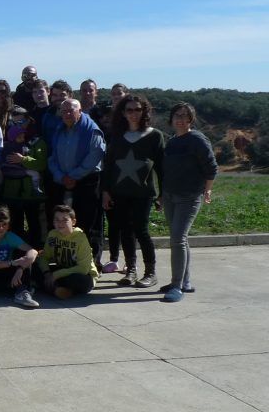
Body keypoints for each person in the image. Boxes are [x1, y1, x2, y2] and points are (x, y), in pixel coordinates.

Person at [101, 94, 165, 287]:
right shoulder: (117, 136)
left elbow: (162, 168)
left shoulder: (155, 136)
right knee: (125, 231)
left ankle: (150, 272)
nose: (134, 113)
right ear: (123, 112)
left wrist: (163, 194)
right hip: (119, 192)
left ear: (144, 111)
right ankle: (131, 270)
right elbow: (108, 166)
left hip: (143, 194)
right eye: (129, 109)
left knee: (141, 231)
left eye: (138, 109)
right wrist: (105, 191)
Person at [160, 102, 217, 303]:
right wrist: (162, 194)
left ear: (191, 119)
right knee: (179, 239)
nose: (181, 119)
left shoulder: (197, 139)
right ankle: (185, 281)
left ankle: (176, 286)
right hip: (170, 195)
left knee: (177, 238)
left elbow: (211, 167)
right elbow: (167, 170)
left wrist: (207, 189)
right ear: (172, 118)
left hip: (189, 196)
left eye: (185, 116)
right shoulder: (172, 141)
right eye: (177, 115)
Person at [47, 98, 106, 265]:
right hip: (63, 181)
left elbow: (95, 156)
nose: (66, 114)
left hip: (87, 182)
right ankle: (68, 260)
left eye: (71, 110)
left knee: (89, 224)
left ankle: (91, 263)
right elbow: (52, 157)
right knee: (64, 223)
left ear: (80, 112)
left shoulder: (91, 130)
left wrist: (73, 176)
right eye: (63, 111)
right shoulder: (59, 130)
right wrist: (60, 176)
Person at [0, 107, 48, 248]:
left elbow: (42, 164)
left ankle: (37, 253)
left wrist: (23, 160)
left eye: (21, 122)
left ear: (28, 121)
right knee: (14, 226)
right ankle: (17, 254)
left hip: (31, 193)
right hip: (11, 191)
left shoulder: (37, 141)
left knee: (34, 225)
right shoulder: (8, 141)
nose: (18, 126)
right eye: (14, 123)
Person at [36, 205, 98, 299]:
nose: (60, 223)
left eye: (65, 220)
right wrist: (47, 273)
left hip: (82, 274)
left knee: (76, 279)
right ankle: (59, 290)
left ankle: (55, 288)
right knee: (35, 268)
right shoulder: (52, 234)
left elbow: (83, 269)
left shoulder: (81, 238)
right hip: (62, 269)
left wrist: (56, 275)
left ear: (73, 222)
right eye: (57, 220)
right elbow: (44, 257)